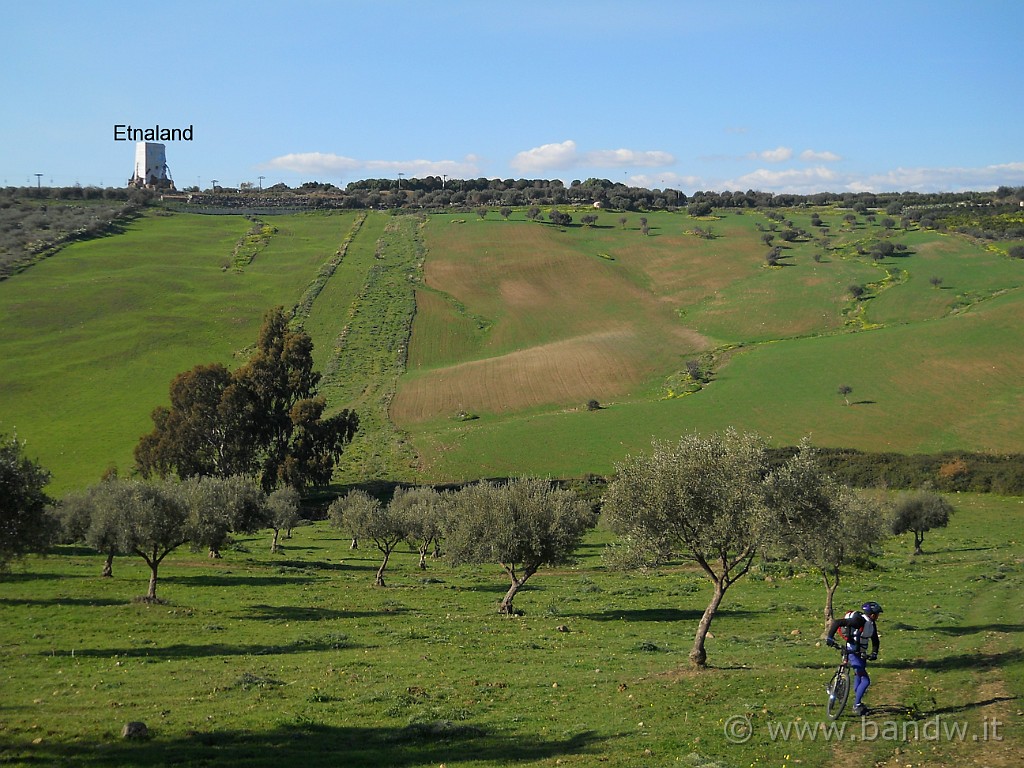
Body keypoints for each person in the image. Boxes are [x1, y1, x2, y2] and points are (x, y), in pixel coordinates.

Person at [826, 601, 883, 716]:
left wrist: (874, 653)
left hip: (860, 652)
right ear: (872, 614)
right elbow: (838, 622)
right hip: (852, 652)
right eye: (877, 614)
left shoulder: (871, 624)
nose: (878, 616)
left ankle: (858, 700)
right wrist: (830, 637)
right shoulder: (859, 621)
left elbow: (875, 640)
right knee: (865, 680)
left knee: (858, 675)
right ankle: (856, 705)